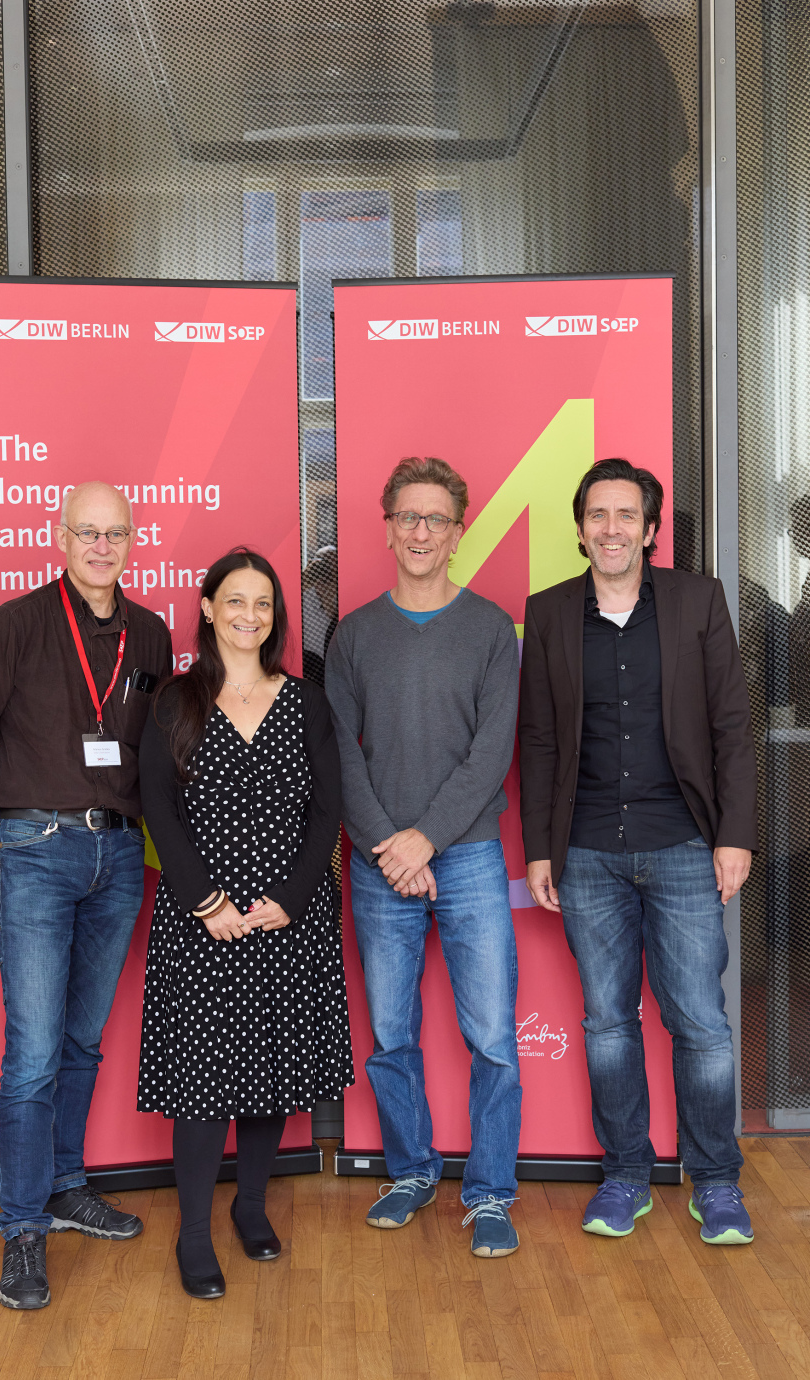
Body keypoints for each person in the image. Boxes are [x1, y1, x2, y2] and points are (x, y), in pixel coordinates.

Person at [519, 457, 758, 1246]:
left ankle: (717, 1180)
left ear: (651, 529)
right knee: (609, 1023)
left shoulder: (697, 602)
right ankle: (626, 1173)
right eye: (598, 514)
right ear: (581, 527)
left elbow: (731, 725)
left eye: (627, 515)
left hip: (686, 843)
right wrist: (541, 849)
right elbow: (543, 740)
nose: (611, 528)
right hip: (586, 851)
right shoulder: (550, 613)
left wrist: (734, 833)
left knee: (700, 1021)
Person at [0, 481, 173, 1309]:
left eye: (116, 534)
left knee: (81, 1040)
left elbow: (152, 752)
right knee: (34, 1053)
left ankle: (70, 1185)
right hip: (38, 849)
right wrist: (10, 826)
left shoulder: (150, 633)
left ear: (131, 540)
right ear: (61, 536)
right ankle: (24, 1229)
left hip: (116, 855)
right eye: (88, 533)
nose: (102, 547)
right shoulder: (13, 626)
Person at [137, 546, 353, 1299]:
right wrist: (208, 903)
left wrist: (292, 898)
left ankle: (252, 1207)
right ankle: (194, 1235)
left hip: (286, 917)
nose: (249, 615)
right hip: (203, 920)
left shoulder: (306, 702)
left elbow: (328, 807)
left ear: (277, 616)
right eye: (235, 601)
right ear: (207, 608)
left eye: (263, 604)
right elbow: (157, 807)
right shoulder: (175, 701)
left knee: (272, 1069)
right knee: (205, 1084)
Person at [325, 457, 522, 1259]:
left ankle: (491, 1192)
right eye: (407, 516)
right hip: (378, 862)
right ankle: (410, 1170)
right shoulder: (355, 634)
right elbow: (341, 755)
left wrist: (424, 840)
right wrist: (391, 848)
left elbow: (490, 753)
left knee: (493, 1037)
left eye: (435, 519)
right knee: (393, 1031)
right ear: (386, 526)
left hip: (468, 855)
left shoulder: (489, 629)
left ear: (457, 530)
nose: (420, 532)